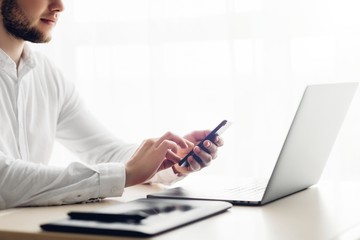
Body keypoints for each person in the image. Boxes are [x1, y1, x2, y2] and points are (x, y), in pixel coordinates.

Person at [0, 0, 224, 209]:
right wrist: (124, 174)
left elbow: (105, 152)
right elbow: (4, 180)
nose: (60, 6)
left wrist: (168, 158)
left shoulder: (46, 74)